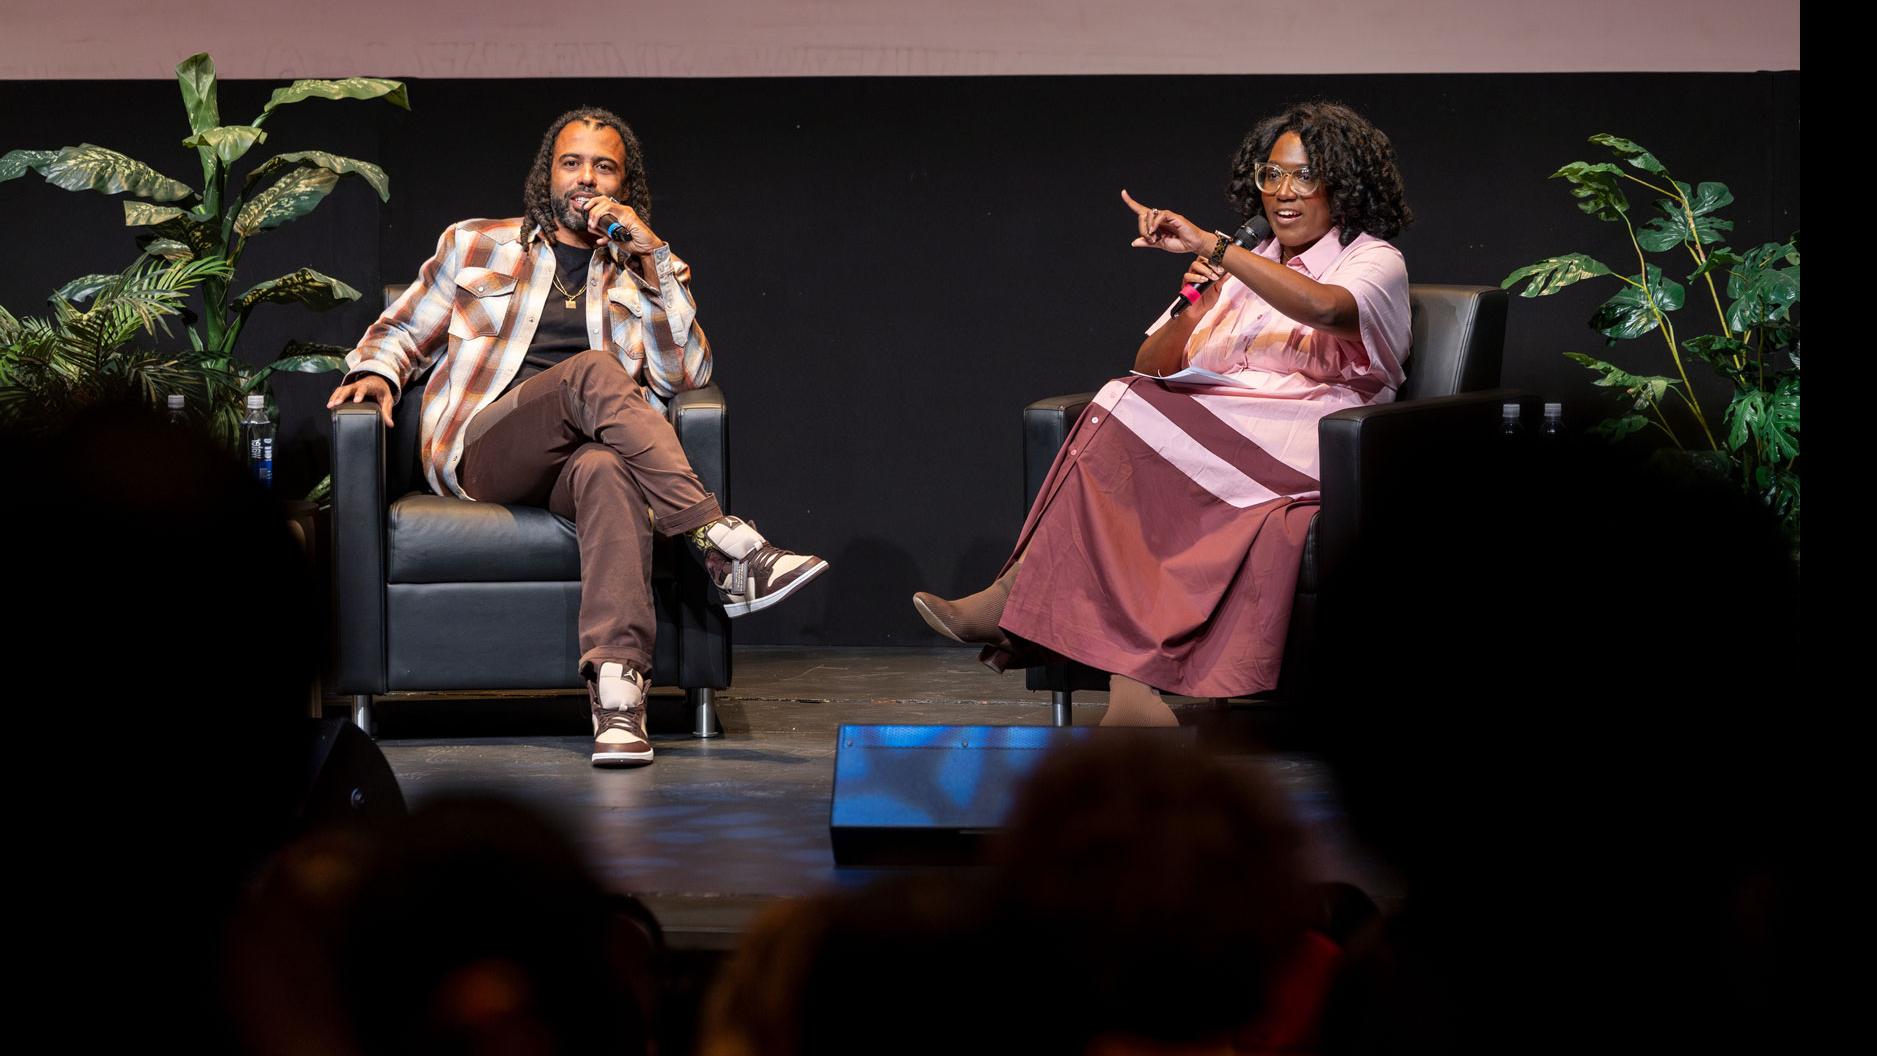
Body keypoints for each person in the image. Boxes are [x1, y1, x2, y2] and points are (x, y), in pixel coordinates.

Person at [328, 106, 827, 766]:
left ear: (625, 185)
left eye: (603, 166)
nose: (585, 178)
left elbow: (687, 375)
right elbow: (399, 330)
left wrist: (650, 258)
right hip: (485, 449)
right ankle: (718, 539)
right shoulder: (475, 244)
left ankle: (618, 695)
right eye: (571, 163)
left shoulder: (644, 270)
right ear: (548, 175)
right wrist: (377, 374)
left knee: (606, 470)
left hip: (571, 463)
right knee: (590, 372)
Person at [914, 100, 1412, 726]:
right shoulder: (1241, 268)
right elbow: (1151, 363)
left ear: (1343, 186)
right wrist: (1198, 305)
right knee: (1119, 405)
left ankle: (1014, 601)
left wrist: (1220, 248)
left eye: (1304, 176)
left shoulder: (1370, 260)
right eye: (1271, 174)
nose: (1282, 193)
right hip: (1219, 437)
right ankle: (1131, 693)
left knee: (1122, 405)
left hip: (1311, 441)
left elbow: (1329, 310)